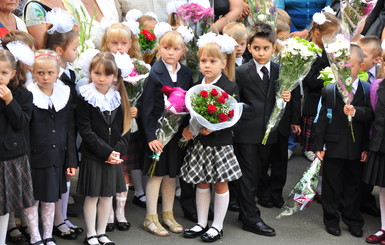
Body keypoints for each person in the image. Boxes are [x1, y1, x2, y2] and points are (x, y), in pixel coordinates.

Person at [180, 36, 241, 242]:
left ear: (223, 63)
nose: (207, 65)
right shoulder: (196, 86)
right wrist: (188, 130)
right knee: (202, 182)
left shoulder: (229, 87)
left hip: (220, 144)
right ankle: (201, 223)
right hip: (200, 144)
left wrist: (214, 129)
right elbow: (191, 115)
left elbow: (232, 118)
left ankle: (217, 226)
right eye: (204, 61)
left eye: (212, 61)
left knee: (220, 183)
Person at [234, 22, 291, 237]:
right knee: (248, 175)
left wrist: (287, 96)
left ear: (273, 48)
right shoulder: (241, 71)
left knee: (258, 173)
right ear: (249, 47)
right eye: (256, 48)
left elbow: (281, 98)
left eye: (265, 48)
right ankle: (251, 218)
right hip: (246, 132)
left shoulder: (280, 71)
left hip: (270, 132)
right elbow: (236, 101)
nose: (260, 52)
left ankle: (245, 211)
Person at [314, 45, 373, 238]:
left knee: (354, 185)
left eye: (350, 65)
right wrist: (318, 146)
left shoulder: (366, 89)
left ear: (361, 66)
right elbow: (322, 119)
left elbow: (370, 118)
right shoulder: (330, 89)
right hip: (334, 144)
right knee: (331, 185)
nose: (344, 69)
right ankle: (331, 219)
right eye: (341, 65)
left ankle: (353, 219)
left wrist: (357, 113)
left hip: (356, 148)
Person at [140, 28, 192, 237]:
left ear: (183, 51)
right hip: (157, 135)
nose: (170, 52)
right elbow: (146, 109)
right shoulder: (153, 73)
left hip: (176, 134)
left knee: (172, 174)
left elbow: (188, 104)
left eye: (175, 48)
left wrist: (188, 130)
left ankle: (168, 214)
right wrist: (151, 137)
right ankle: (150, 217)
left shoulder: (187, 74)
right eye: (166, 47)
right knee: (156, 173)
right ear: (159, 48)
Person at [76, 52, 131, 245]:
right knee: (92, 196)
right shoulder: (85, 96)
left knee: (108, 195)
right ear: (90, 72)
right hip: (94, 155)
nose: (101, 78)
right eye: (97, 73)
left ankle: (101, 233)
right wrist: (106, 152)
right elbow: (86, 130)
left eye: (107, 75)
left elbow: (125, 129)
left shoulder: (118, 96)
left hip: (114, 156)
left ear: (114, 75)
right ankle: (91, 233)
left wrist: (117, 151)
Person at [25, 49, 78, 245]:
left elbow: (69, 129)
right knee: (32, 198)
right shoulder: (28, 95)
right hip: (34, 156)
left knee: (49, 196)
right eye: (40, 73)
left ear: (58, 72)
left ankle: (47, 235)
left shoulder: (65, 93)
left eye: (50, 73)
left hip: (57, 156)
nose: (45, 77)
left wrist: (71, 160)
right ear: (32, 71)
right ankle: (35, 236)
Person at [44, 10, 84, 238]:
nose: (77, 52)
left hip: (69, 130)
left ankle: (63, 217)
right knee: (58, 176)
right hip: (57, 132)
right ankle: (56, 221)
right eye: (74, 48)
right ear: (59, 50)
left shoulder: (69, 73)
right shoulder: (54, 76)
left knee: (67, 174)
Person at [100, 22, 142, 232]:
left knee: (123, 168)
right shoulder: (102, 64)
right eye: (114, 43)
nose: (119, 47)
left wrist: (135, 108)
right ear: (107, 43)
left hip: (125, 125)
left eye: (123, 43)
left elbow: (140, 93)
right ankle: (107, 213)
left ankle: (120, 212)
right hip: (106, 124)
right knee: (109, 166)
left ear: (130, 43)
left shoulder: (136, 67)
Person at [0, 49, 35, 245]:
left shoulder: (22, 95)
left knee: (4, 205)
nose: (0, 77)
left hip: (9, 156)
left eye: (4, 73)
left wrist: (9, 101)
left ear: (13, 73)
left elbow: (21, 123)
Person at [300, 12, 339, 162]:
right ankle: (308, 147)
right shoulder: (309, 52)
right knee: (313, 122)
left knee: (323, 122)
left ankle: (320, 146)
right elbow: (310, 81)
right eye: (331, 36)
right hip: (314, 98)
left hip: (327, 98)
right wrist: (329, 73)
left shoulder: (330, 51)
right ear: (317, 33)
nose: (334, 40)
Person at [357, 36, 383, 218]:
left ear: (377, 59)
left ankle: (365, 199)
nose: (358, 59)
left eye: (363, 55)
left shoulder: (378, 81)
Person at [364, 53, 385, 245]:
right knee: (383, 187)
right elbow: (372, 116)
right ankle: (384, 227)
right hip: (382, 144)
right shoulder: (378, 86)